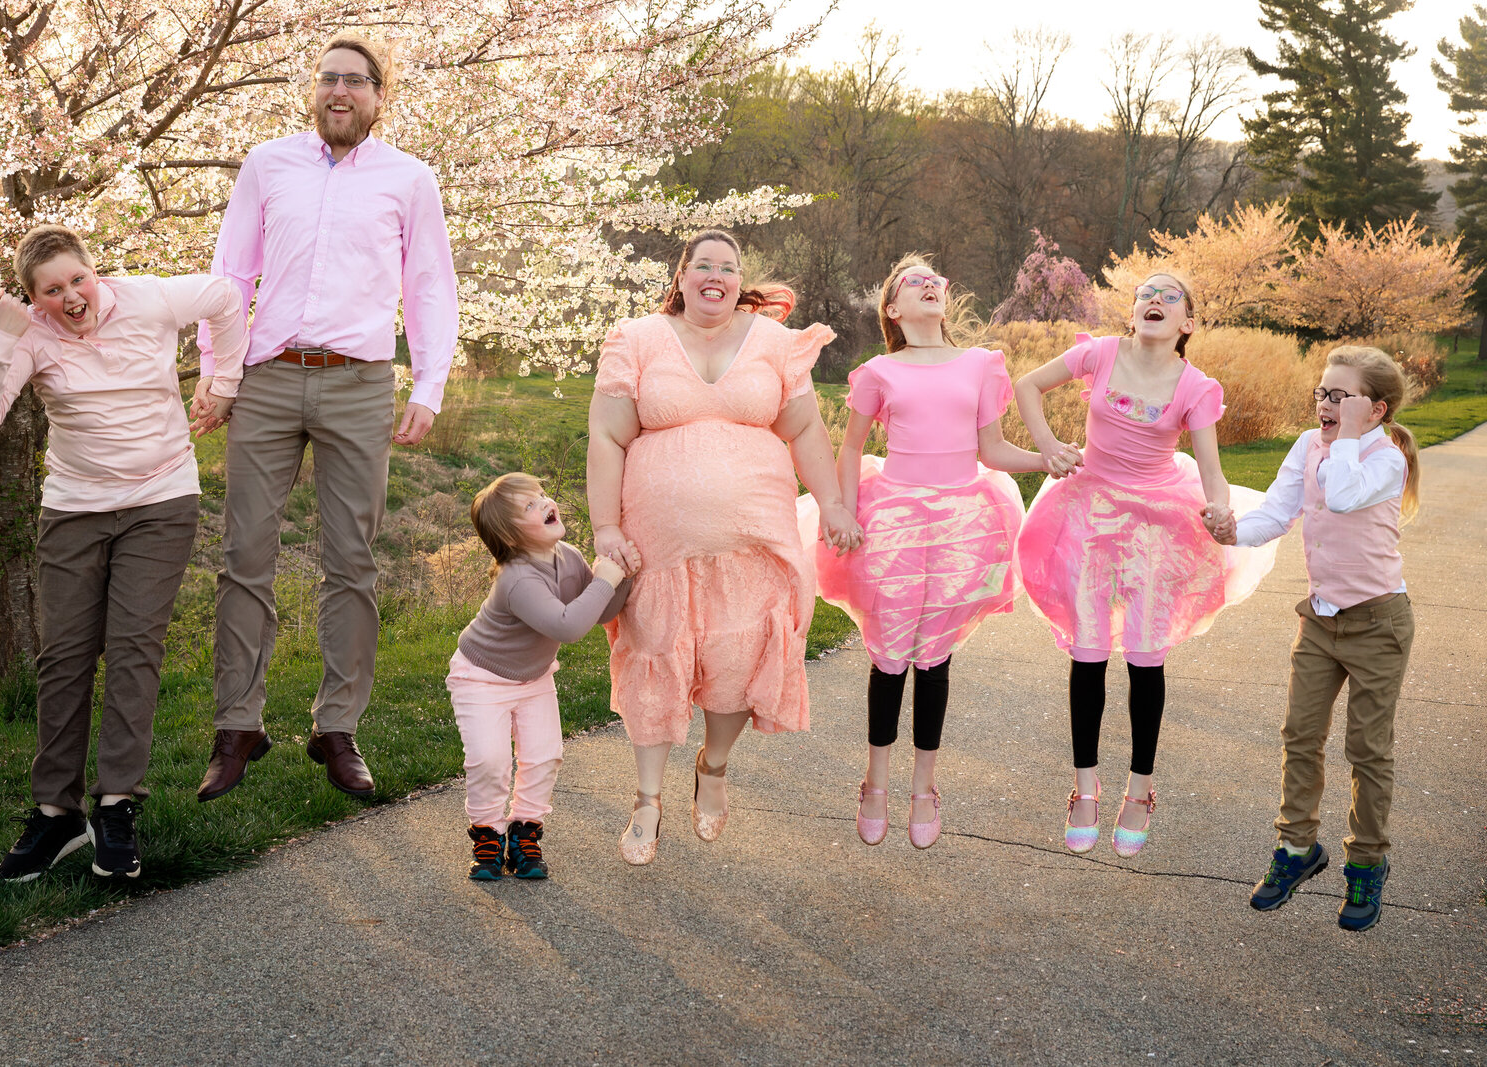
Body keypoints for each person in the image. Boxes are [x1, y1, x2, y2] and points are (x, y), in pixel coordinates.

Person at [196, 34, 459, 802]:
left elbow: (430, 286)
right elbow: (230, 273)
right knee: (245, 553)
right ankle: (237, 724)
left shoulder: (410, 180)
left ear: (380, 95)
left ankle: (336, 727)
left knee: (351, 560)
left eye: (356, 80)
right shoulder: (266, 163)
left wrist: (429, 385)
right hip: (268, 378)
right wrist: (221, 374)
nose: (339, 90)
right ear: (314, 91)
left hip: (359, 383)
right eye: (328, 79)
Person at [0, 224, 246, 880]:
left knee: (135, 647)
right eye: (52, 290)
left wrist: (222, 382)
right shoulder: (28, 336)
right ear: (35, 300)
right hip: (75, 508)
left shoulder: (147, 300)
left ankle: (117, 804)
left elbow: (227, 297)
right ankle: (57, 814)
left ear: (95, 272)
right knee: (64, 658)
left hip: (161, 501)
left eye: (77, 278)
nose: (72, 296)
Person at [587, 228, 862, 866]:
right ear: (680, 278)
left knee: (739, 665)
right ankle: (648, 800)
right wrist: (605, 527)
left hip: (755, 544)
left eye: (729, 267)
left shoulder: (771, 344)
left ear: (740, 282)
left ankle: (713, 766)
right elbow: (606, 436)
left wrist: (832, 503)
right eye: (702, 265)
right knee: (656, 655)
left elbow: (804, 428)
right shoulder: (638, 341)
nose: (716, 275)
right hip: (661, 550)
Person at [1013, 272, 1275, 859]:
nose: (1155, 299)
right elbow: (1027, 385)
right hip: (1087, 512)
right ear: (1131, 314)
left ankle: (1140, 790)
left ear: (1187, 323)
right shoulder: (1099, 354)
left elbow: (1210, 467)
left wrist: (1220, 511)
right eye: (1145, 294)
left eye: (1171, 295)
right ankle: (1085, 790)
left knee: (1142, 656)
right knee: (1086, 653)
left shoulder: (1195, 386)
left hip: (1158, 525)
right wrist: (1049, 446)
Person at [810, 254, 1054, 850]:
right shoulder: (877, 372)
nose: (929, 285)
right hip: (893, 518)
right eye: (912, 282)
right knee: (891, 654)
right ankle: (875, 784)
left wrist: (1047, 459)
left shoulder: (980, 364)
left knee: (933, 655)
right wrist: (840, 508)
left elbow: (992, 450)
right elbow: (849, 450)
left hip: (962, 522)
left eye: (935, 279)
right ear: (892, 308)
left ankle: (924, 787)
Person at [1206, 346, 1419, 932]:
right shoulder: (1308, 445)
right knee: (1300, 736)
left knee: (1367, 750)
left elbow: (1347, 494)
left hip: (1379, 623)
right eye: (1321, 393)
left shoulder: (1387, 456)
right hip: (1321, 621)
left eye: (1339, 396)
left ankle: (1367, 862)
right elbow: (1276, 515)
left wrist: (1346, 435)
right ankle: (1298, 850)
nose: (1324, 404)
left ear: (1375, 409)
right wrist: (1233, 532)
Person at [447, 473, 636, 880]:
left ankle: (524, 834)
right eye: (529, 505)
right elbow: (568, 627)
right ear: (510, 535)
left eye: (542, 495)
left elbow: (598, 610)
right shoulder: (517, 579)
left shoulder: (566, 555)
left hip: (533, 677)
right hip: (481, 677)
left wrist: (622, 575)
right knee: (489, 760)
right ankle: (488, 836)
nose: (546, 502)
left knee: (545, 755)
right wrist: (605, 579)